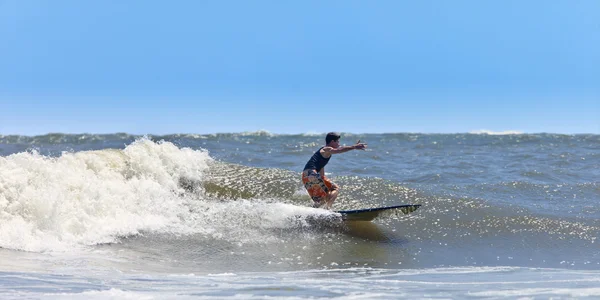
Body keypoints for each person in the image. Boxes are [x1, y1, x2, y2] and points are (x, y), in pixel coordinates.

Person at [302, 132, 367, 209]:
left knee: (320, 200)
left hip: (305, 176)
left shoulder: (322, 154)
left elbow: (320, 167)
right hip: (311, 174)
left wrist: (323, 178)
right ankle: (327, 209)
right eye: (337, 141)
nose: (339, 143)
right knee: (335, 188)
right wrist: (354, 147)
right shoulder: (326, 149)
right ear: (332, 142)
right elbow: (339, 150)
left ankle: (312, 213)